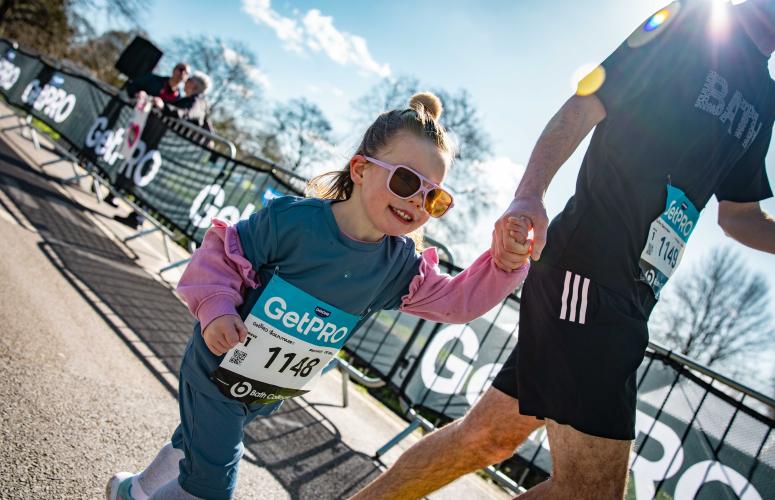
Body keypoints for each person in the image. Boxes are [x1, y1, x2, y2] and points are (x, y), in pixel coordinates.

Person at [351, 0, 775, 498]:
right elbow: (587, 102)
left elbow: (739, 216)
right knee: (590, 493)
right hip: (589, 272)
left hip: (632, 291)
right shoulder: (691, 23)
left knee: (484, 439)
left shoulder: (765, 99)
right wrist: (530, 192)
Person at [105, 92, 533, 500]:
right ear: (361, 169)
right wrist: (216, 309)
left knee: (193, 443)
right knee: (211, 481)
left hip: (265, 387)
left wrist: (505, 263)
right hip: (216, 371)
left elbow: (457, 302)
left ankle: (134, 491)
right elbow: (221, 253)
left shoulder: (399, 266)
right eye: (406, 180)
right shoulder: (295, 222)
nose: (418, 201)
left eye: (434, 197)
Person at [113, 71, 212, 230]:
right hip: (168, 149)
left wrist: (163, 106)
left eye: (190, 79)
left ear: (194, 85)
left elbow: (185, 114)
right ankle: (134, 213)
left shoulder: (196, 102)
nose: (186, 81)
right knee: (148, 177)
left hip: (171, 151)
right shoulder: (196, 102)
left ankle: (137, 217)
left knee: (151, 178)